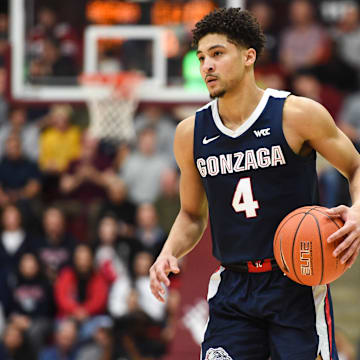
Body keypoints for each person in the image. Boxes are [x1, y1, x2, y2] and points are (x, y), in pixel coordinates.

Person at [149, 8, 360, 360]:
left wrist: (357, 212)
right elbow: (190, 214)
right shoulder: (190, 134)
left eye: (217, 54)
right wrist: (168, 251)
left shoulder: (296, 115)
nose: (207, 66)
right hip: (233, 289)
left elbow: (355, 166)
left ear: (249, 57)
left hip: (296, 283)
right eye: (201, 57)